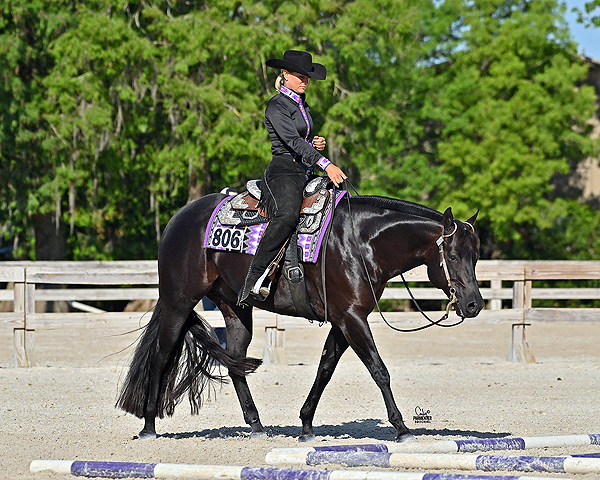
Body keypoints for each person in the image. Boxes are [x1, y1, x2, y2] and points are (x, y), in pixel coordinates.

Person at [238, 50, 347, 304]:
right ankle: (254, 279)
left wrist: (315, 143)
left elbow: (301, 139)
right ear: (285, 75)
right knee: (286, 215)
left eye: (307, 78)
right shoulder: (276, 105)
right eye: (300, 76)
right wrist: (325, 164)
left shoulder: (301, 104)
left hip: (304, 169)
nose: (305, 81)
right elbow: (291, 141)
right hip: (284, 171)